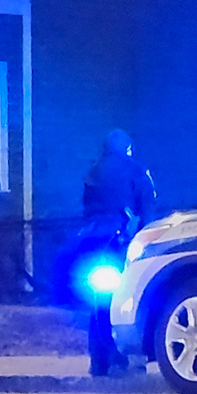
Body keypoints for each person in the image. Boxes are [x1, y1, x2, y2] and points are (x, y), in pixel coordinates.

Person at [81, 129, 156, 376]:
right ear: (128, 148)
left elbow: (87, 208)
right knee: (128, 299)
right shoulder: (137, 170)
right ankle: (125, 357)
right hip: (121, 244)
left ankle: (99, 361)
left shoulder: (93, 172)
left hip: (93, 245)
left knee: (98, 302)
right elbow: (147, 210)